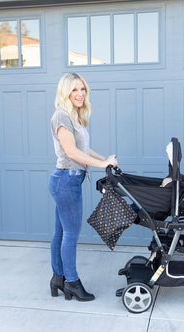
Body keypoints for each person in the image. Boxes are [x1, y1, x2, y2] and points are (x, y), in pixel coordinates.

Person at [49, 72, 118, 302]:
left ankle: (58, 278)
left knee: (60, 232)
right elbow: (71, 152)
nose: (80, 94)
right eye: (74, 90)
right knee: (70, 234)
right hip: (66, 180)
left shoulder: (74, 116)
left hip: (68, 179)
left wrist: (104, 158)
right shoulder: (61, 116)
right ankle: (72, 282)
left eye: (82, 89)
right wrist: (101, 164)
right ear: (65, 92)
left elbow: (84, 149)